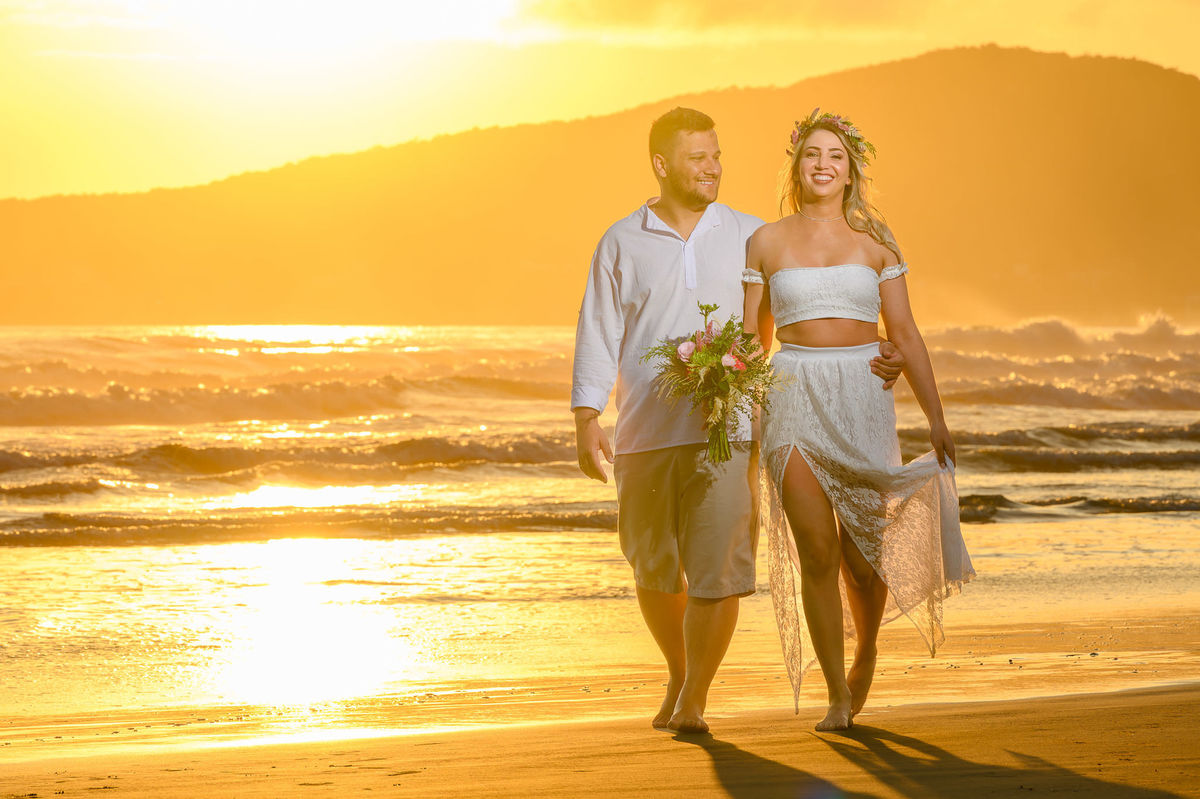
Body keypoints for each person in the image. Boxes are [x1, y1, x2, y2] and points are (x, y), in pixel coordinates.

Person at [571, 107, 906, 733]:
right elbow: (598, 328)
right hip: (645, 426)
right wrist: (587, 416)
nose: (712, 167)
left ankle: (694, 695)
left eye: (717, 155)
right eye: (699, 157)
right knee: (651, 564)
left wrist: (881, 349)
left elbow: (821, 302)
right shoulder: (621, 240)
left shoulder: (752, 235)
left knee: (722, 569)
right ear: (662, 165)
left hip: (729, 429)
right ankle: (680, 667)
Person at [741, 109, 975, 731]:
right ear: (797, 165)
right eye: (812, 154)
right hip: (791, 393)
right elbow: (751, 341)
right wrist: (726, 392)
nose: (822, 164)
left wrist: (936, 417)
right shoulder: (764, 242)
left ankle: (866, 648)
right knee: (817, 552)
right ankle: (836, 696)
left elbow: (904, 332)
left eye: (835, 156)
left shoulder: (877, 241)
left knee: (863, 561)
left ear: (850, 171)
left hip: (863, 394)